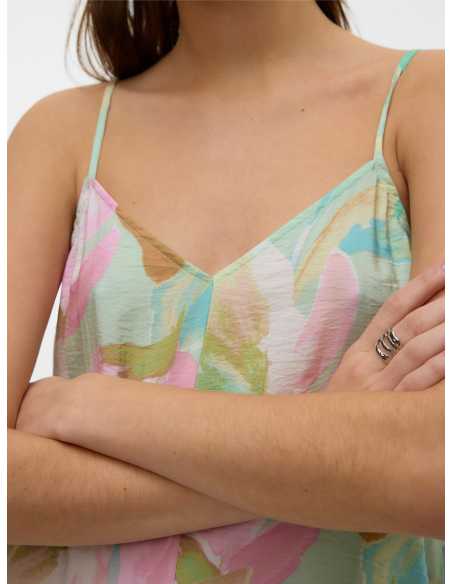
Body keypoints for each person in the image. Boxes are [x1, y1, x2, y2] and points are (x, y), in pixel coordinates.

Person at [8, 1, 444, 582]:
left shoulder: (430, 100)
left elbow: (432, 467)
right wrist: (326, 450)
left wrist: (93, 407)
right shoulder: (59, 136)